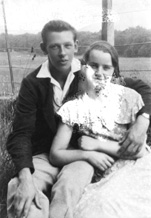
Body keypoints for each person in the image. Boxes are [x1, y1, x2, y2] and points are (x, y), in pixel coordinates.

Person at [6, 19, 151, 218]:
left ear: (76, 46)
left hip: (79, 152)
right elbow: (21, 133)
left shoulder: (90, 72)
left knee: (70, 187)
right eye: (54, 47)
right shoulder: (33, 84)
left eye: (67, 45)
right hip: (45, 153)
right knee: (19, 187)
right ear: (43, 48)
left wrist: (143, 120)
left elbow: (142, 89)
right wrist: (24, 175)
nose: (62, 53)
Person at [50, 40, 151, 218]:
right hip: (94, 166)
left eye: (106, 68)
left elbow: (139, 151)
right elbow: (56, 153)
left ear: (114, 72)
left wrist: (95, 145)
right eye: (93, 66)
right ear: (83, 68)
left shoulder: (128, 98)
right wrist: (86, 154)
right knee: (91, 204)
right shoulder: (74, 107)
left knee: (119, 204)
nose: (99, 73)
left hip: (131, 166)